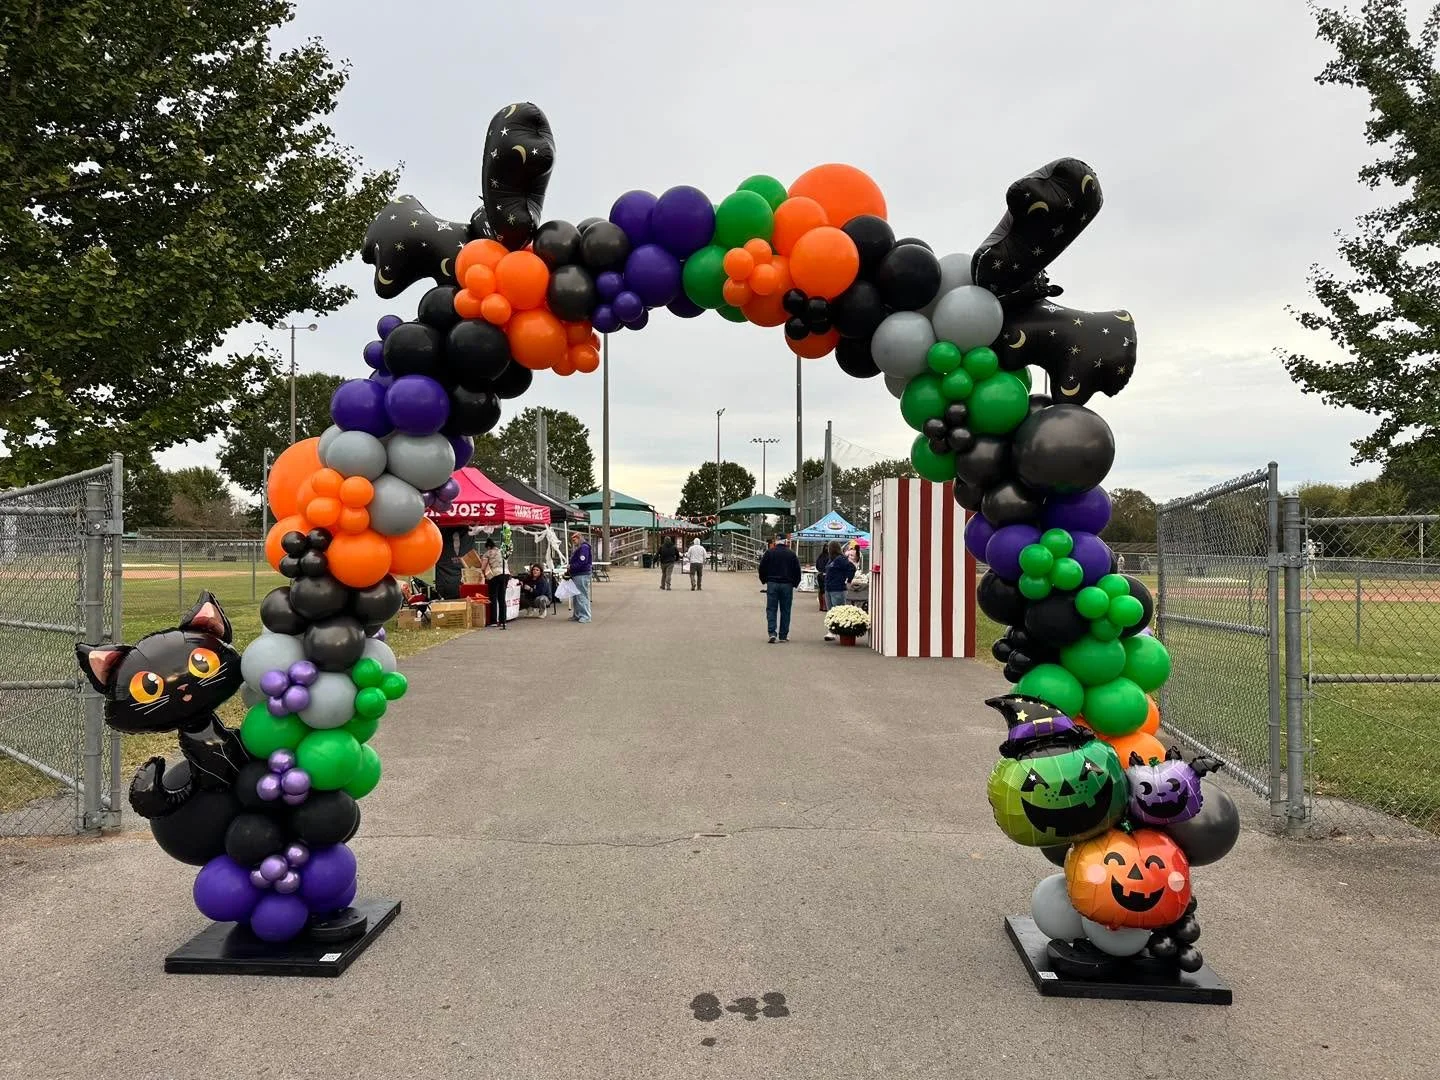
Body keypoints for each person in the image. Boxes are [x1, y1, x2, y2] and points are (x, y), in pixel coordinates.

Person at [757, 536, 802, 643]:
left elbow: (762, 568)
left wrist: (764, 580)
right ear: (785, 541)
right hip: (787, 584)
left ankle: (772, 633)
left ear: (775, 541)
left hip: (772, 583)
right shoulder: (791, 554)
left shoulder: (769, 552)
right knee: (785, 610)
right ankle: (783, 635)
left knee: (771, 609)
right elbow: (797, 570)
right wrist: (795, 583)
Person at [821, 541, 856, 640]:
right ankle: (832, 630)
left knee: (838, 610)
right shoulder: (831, 560)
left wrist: (848, 580)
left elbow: (852, 568)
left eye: (829, 547)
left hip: (838, 588)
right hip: (829, 588)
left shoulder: (840, 559)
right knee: (831, 611)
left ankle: (836, 631)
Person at [480, 538, 508, 630]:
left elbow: (483, 567)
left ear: (488, 546)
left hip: (495, 575)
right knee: (502, 598)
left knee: (493, 597)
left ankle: (493, 621)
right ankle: (503, 620)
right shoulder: (502, 551)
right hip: (505, 574)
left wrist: (482, 571)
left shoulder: (488, 553)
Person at [568, 531, 593, 623]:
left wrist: (571, 566)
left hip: (581, 574)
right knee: (576, 595)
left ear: (579, 538)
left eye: (575, 539)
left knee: (581, 595)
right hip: (578, 574)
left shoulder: (584, 547)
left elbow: (582, 561)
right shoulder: (581, 547)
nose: (573, 541)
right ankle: (578, 614)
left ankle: (586, 616)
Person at [816, 541, 834, 612]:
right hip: (826, 575)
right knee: (825, 591)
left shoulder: (820, 556)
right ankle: (825, 607)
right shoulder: (831, 557)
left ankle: (821, 606)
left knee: (821, 591)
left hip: (820, 574)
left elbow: (817, 565)